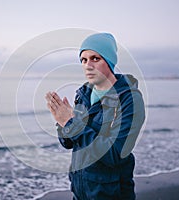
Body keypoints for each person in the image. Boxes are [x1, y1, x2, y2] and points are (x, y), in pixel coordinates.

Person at [45, 32, 145, 200]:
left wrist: (71, 122)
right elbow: (68, 143)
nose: (88, 65)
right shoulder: (83, 94)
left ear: (110, 61)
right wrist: (62, 122)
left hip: (111, 193)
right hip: (80, 191)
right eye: (83, 60)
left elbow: (115, 154)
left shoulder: (130, 99)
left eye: (95, 59)